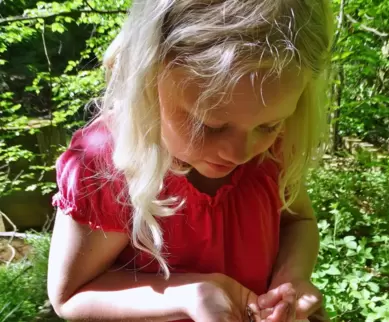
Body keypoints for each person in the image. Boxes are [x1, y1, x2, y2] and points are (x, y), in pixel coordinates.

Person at [47, 0, 334, 321]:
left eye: (268, 125)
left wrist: (290, 279)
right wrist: (190, 296)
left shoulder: (275, 145)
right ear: (146, 79)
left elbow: (297, 221)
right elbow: (70, 296)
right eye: (209, 125)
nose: (241, 152)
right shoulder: (105, 163)